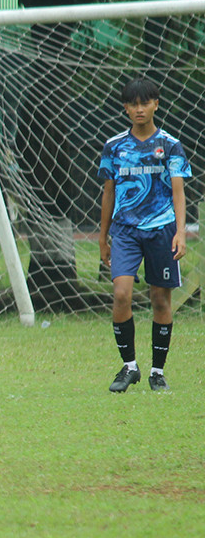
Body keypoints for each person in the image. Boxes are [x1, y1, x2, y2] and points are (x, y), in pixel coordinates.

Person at [98, 77, 190, 393]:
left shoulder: (171, 145)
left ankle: (156, 372)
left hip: (162, 230)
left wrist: (180, 232)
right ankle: (129, 367)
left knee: (160, 300)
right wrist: (102, 236)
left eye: (145, 103)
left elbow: (178, 191)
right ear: (125, 108)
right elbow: (108, 192)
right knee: (121, 294)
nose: (139, 109)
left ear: (156, 104)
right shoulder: (114, 147)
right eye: (133, 104)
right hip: (125, 231)